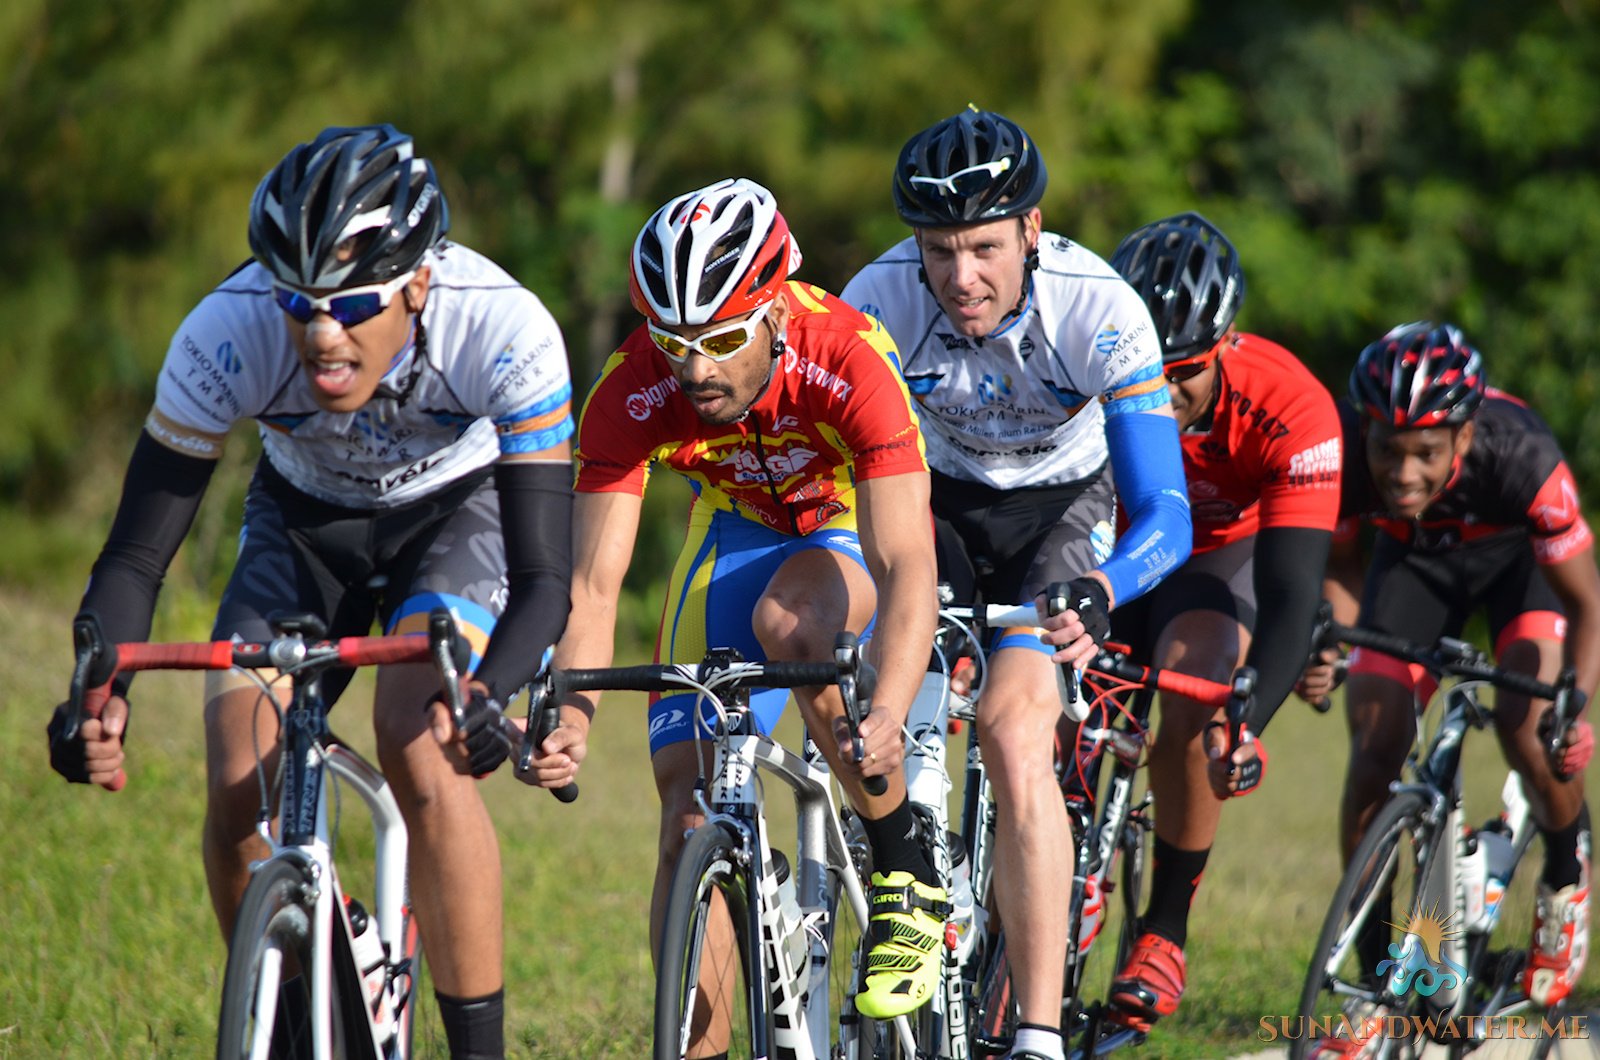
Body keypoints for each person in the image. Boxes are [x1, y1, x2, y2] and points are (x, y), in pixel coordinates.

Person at [45, 124, 575, 1060]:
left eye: (353, 304)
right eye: (300, 303)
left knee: (420, 737)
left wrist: (490, 692)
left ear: (419, 281)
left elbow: (544, 579)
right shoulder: (227, 330)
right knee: (236, 768)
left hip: (458, 514)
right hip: (304, 518)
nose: (323, 333)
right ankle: (298, 1022)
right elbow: (133, 560)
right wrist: (97, 693)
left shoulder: (505, 326)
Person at [528, 176, 945, 1051]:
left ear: (778, 314)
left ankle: (906, 867)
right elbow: (593, 587)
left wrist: (892, 710)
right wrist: (570, 715)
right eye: (673, 339)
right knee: (686, 817)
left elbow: (907, 564)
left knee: (791, 622)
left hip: (842, 527)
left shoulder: (849, 353)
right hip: (735, 530)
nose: (695, 369)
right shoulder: (632, 386)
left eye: (721, 338)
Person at [841, 108, 1192, 1060]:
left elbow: (1167, 511)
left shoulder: (1100, 307)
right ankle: (909, 898)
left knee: (1013, 725)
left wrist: (1106, 590)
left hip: (1064, 515)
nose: (962, 279)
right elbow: (839, 474)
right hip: (935, 504)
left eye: (987, 248)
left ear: (1032, 230)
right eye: (941, 251)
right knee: (893, 696)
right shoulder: (873, 301)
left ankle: (1036, 1031)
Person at [1300, 322, 1594, 1048]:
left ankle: (1564, 875)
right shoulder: (1342, 455)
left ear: (1462, 440)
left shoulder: (1522, 455)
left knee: (1528, 728)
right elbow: (1337, 572)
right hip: (1414, 568)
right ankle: (1372, 980)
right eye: (1387, 451)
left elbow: (1588, 603)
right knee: (1375, 747)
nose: (1402, 474)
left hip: (1519, 569)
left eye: (1425, 454)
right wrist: (1328, 644)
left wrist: (1575, 702)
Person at [1100, 212, 1342, 1029]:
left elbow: (1292, 592)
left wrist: (1246, 716)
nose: (1162, 394)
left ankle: (1163, 930)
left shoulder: (1292, 407)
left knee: (1199, 686)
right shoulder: (1081, 368)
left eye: (1185, 373)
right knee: (1058, 711)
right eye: (1145, 370)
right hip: (1110, 545)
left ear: (1226, 341)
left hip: (1216, 557)